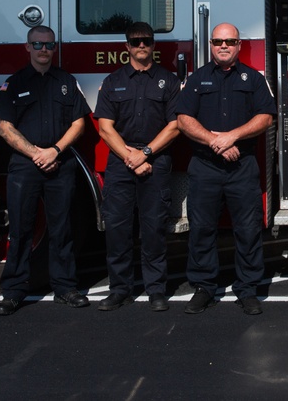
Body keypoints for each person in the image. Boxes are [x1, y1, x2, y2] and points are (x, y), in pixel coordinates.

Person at [176, 23, 276, 316]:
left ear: (238, 44)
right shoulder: (196, 80)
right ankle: (204, 288)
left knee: (247, 230)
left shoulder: (253, 79)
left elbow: (266, 117)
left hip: (242, 166)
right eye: (218, 41)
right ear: (210, 44)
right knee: (202, 229)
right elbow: (183, 119)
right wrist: (215, 141)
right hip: (205, 166)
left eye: (229, 41)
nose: (224, 46)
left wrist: (232, 136)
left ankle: (247, 290)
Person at [0, 25, 92, 315]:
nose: (44, 50)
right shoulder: (14, 83)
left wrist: (55, 151)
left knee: (62, 229)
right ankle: (12, 292)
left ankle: (65, 288)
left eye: (48, 45)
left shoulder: (66, 82)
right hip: (25, 165)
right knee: (21, 229)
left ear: (54, 48)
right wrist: (36, 153)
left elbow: (79, 124)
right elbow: (5, 128)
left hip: (60, 163)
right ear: (27, 48)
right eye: (37, 45)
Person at [94, 22, 180, 312]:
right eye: (135, 41)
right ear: (126, 46)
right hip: (121, 162)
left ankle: (156, 290)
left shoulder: (167, 81)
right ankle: (120, 289)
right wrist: (130, 157)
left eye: (146, 41)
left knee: (154, 228)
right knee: (117, 228)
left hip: (155, 159)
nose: (141, 46)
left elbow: (175, 125)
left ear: (154, 45)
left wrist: (144, 153)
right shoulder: (112, 81)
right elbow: (105, 127)